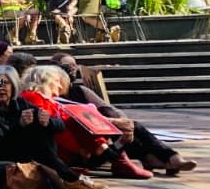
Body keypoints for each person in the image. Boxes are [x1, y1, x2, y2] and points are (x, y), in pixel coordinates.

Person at [50, 52, 197, 176]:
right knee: (125, 127)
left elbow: (109, 109)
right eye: (67, 68)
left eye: (74, 66)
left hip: (102, 138)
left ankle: (159, 159)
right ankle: (161, 158)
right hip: (85, 151)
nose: (72, 71)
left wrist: (121, 122)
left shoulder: (79, 91)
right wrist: (112, 123)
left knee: (128, 125)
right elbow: (76, 121)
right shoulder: (50, 97)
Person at [0, 65, 106, 189]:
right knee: (34, 132)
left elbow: (60, 126)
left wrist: (47, 121)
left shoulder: (21, 103)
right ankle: (68, 177)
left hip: (23, 153)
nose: (1, 88)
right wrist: (20, 124)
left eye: (6, 83)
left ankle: (66, 176)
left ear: (14, 85)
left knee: (40, 127)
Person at [19, 65, 152, 179]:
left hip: (64, 150)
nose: (60, 86)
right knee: (78, 120)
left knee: (87, 121)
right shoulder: (34, 97)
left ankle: (118, 157)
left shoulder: (45, 99)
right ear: (45, 80)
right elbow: (57, 129)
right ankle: (118, 158)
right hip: (53, 153)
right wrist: (79, 149)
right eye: (58, 81)